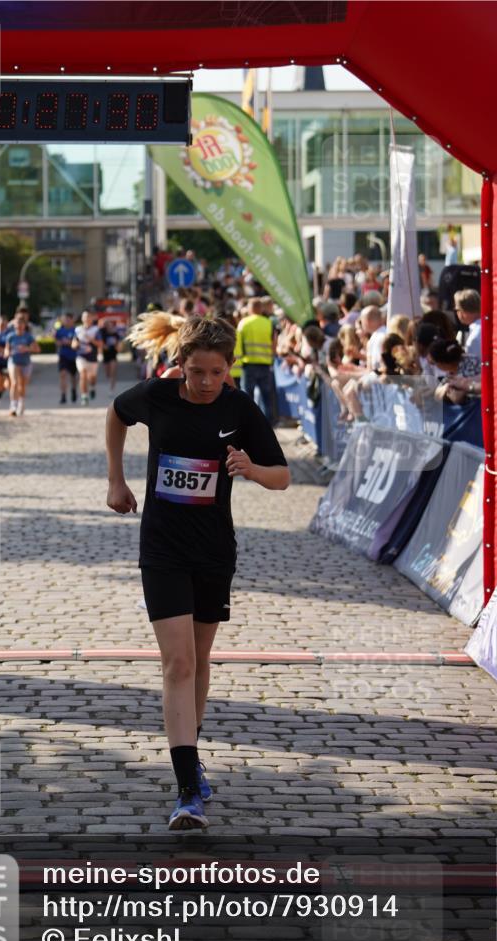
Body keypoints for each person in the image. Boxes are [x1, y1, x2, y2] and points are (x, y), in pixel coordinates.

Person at [106, 315, 290, 830]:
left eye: (215, 372)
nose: (206, 382)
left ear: (229, 369)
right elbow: (116, 415)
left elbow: (282, 477)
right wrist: (115, 481)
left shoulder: (239, 408)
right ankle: (188, 788)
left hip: (213, 551)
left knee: (200, 661)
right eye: (196, 372)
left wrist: (250, 470)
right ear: (179, 366)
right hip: (162, 548)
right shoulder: (157, 396)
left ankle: (192, 757)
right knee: (179, 663)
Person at [236, 297, 276, 424]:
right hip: (265, 364)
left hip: (249, 365)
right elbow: (274, 342)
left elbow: (238, 345)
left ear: (249, 308)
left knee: (247, 397)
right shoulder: (268, 323)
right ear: (261, 309)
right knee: (266, 398)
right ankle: (267, 426)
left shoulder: (243, 323)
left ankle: (248, 424)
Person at [4, 311, 40, 416]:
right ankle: (13, 406)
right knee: (14, 383)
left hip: (26, 363)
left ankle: (21, 403)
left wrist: (27, 348)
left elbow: (37, 349)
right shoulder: (10, 336)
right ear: (14, 325)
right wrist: (7, 353)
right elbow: (7, 349)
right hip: (13, 361)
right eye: (17, 323)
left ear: (24, 325)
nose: (19, 326)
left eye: (21, 323)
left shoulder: (28, 337)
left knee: (22, 386)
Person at [73, 310, 102, 405]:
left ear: (92, 318)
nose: (86, 319)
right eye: (85, 316)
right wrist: (75, 344)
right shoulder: (78, 329)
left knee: (92, 378)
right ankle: (84, 396)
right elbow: (73, 343)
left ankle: (93, 387)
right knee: (83, 374)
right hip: (81, 356)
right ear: (82, 318)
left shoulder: (96, 330)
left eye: (88, 316)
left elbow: (100, 344)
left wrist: (90, 339)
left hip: (92, 357)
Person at [54, 311, 78, 404]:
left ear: (72, 320)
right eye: (65, 319)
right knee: (62, 375)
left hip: (74, 356)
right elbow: (56, 342)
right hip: (63, 356)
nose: (66, 321)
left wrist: (69, 342)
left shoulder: (76, 330)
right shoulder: (59, 331)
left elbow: (78, 343)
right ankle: (63, 395)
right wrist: (60, 342)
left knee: (73, 376)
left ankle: (73, 390)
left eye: (68, 319)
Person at [453, 289, 482, 360]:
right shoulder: (485, 326)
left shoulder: (474, 338)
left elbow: (473, 365)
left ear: (462, 311)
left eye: (457, 310)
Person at [99, 318, 122, 395]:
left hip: (113, 354)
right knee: (107, 373)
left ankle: (111, 389)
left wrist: (117, 346)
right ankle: (110, 383)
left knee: (113, 372)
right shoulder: (102, 333)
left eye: (110, 324)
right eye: (107, 324)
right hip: (105, 355)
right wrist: (103, 346)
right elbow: (100, 343)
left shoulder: (116, 334)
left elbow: (119, 346)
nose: (109, 326)